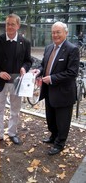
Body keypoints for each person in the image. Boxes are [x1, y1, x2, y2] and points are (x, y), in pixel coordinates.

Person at [32, 21, 80, 155]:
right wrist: (38, 71)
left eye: (58, 32)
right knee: (51, 118)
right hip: (48, 91)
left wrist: (52, 78)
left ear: (66, 33)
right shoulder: (48, 48)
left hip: (63, 93)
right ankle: (53, 136)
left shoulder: (72, 49)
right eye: (53, 32)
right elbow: (43, 65)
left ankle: (60, 143)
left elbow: (72, 72)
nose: (55, 35)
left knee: (62, 120)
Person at [0, 14, 32, 144]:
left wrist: (24, 68)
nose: (10, 26)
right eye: (8, 24)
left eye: (13, 24)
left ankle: (12, 133)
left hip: (17, 82)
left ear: (18, 26)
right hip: (1, 81)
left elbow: (28, 61)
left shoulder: (25, 42)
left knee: (15, 110)